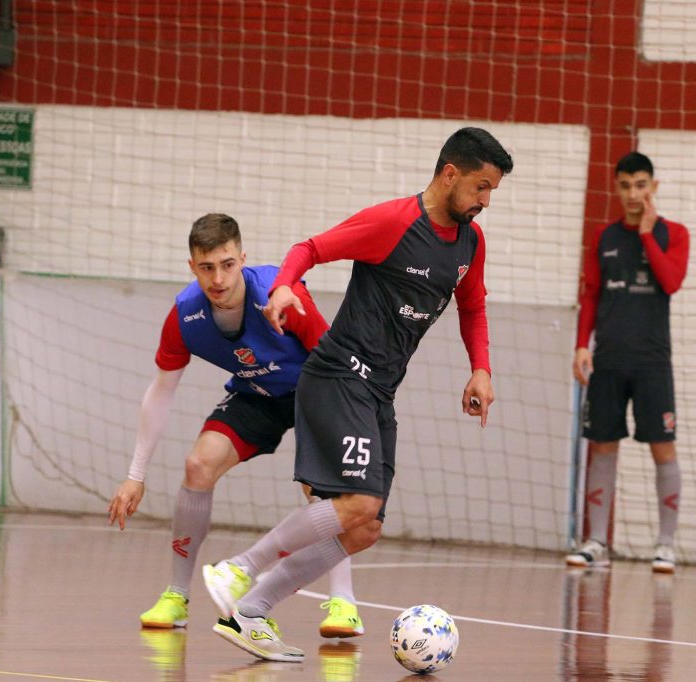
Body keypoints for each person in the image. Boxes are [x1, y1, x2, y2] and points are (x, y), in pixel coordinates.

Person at [200, 127, 513, 662]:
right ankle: (238, 569)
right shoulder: (393, 222)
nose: (486, 201)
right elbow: (310, 248)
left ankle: (250, 613)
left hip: (378, 392)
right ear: (450, 174)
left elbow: (473, 307)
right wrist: (283, 286)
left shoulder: (470, 243)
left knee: (366, 527)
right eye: (481, 188)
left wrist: (480, 369)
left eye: (492, 192)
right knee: (357, 501)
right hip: (339, 375)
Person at [107, 213, 364, 639]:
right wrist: (135, 476)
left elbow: (331, 359)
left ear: (241, 259)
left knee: (324, 490)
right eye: (206, 267)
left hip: (313, 389)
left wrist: (342, 426)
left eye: (227, 265)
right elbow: (162, 390)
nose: (218, 278)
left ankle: (344, 604)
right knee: (197, 466)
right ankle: (176, 596)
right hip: (255, 394)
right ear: (192, 267)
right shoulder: (185, 316)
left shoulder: (281, 293)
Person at [566, 152, 689, 573]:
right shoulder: (604, 238)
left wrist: (650, 236)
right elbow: (591, 296)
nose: (632, 193)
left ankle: (666, 545)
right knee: (601, 444)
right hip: (609, 361)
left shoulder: (675, 234)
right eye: (625, 185)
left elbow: (671, 281)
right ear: (616, 188)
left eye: (640, 184)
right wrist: (583, 344)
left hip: (653, 362)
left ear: (654, 186)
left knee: (663, 447)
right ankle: (596, 540)